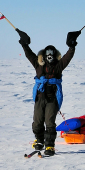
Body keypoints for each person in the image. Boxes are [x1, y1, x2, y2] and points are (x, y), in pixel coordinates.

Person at [17, 29, 79, 157]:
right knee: (37, 121)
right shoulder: (38, 64)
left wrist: (71, 46)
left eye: (52, 53)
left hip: (52, 99)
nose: (50, 55)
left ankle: (50, 145)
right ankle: (39, 141)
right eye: (48, 53)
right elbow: (29, 54)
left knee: (49, 122)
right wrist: (24, 44)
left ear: (55, 55)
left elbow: (68, 56)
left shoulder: (59, 66)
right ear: (44, 55)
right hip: (40, 98)